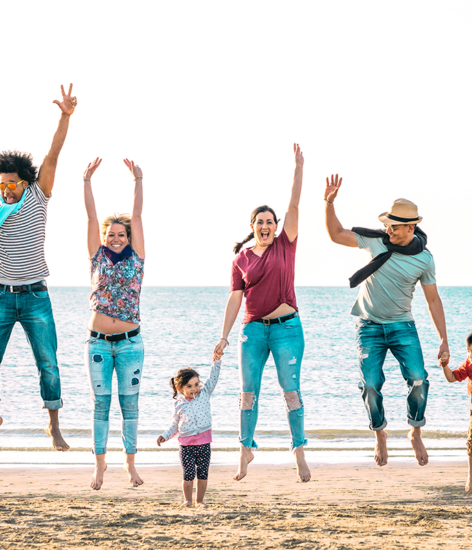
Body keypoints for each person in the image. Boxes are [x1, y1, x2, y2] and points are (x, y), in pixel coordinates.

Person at [324, 175, 450, 468]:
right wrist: (329, 203)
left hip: (402, 326)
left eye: (394, 227)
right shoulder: (374, 240)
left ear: (411, 227)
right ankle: (379, 433)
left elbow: (433, 300)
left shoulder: (424, 259)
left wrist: (443, 338)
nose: (388, 230)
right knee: (369, 384)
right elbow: (335, 233)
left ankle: (415, 431)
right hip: (368, 326)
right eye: (387, 225)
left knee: (419, 379)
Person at [214, 144, 310, 483]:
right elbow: (234, 300)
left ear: (276, 225)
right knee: (247, 392)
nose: (266, 226)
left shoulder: (286, 243)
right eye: (261, 222)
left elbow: (294, 203)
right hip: (252, 331)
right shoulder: (241, 259)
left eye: (271, 222)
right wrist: (224, 337)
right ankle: (245, 451)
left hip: (287, 329)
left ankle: (299, 451)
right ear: (252, 226)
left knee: (290, 391)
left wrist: (298, 168)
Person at [0, 84, 77, 451]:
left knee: (48, 362)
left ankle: (53, 425)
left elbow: (53, 154)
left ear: (24, 181)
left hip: (35, 295)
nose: (6, 191)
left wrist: (64, 116)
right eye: (1, 186)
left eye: (11, 184)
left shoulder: (37, 194)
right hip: (0, 294)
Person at [83, 157, 145, 490]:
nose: (116, 238)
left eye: (121, 234)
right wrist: (87, 182)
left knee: (130, 405)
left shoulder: (137, 258)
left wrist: (138, 179)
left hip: (131, 343)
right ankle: (99, 465)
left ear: (129, 237)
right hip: (97, 343)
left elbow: (137, 216)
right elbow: (92, 217)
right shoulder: (97, 255)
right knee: (101, 405)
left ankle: (130, 465)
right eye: (112, 234)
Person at [157, 359, 222, 507]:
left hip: (204, 444)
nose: (194, 388)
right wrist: (165, 436)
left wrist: (216, 361)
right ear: (180, 388)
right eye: (189, 386)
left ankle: (200, 501)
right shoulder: (179, 405)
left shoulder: (205, 394)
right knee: (188, 474)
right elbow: (175, 425)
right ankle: (188, 501)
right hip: (186, 447)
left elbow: (213, 377)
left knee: (203, 474)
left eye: (196, 384)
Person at [440, 329, 472, 493]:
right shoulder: (469, 365)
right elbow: (452, 377)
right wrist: (445, 366)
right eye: (469, 352)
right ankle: (471, 472)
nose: (471, 356)